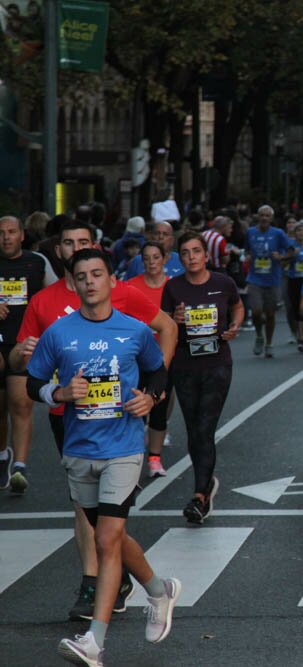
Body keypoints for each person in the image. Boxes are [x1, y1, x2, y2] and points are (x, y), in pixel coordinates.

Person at [10, 219, 178, 622]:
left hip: (121, 433)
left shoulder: (124, 298)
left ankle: (94, 605)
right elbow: (20, 363)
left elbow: (164, 334)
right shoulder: (46, 305)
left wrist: (151, 396)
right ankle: (143, 584)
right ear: (60, 251)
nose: (76, 252)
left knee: (109, 528)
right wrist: (47, 379)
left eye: (84, 244)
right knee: (94, 518)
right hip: (68, 420)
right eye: (69, 245)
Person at [161, 232, 243, 524]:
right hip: (185, 364)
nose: (192, 257)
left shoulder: (223, 283)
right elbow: (163, 322)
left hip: (217, 363)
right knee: (194, 427)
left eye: (197, 251)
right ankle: (206, 483)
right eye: (185, 252)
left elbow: (237, 305)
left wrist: (234, 326)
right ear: (180, 258)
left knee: (204, 428)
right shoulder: (173, 287)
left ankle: (199, 495)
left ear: (206, 255)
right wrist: (175, 320)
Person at [0, 214, 58, 494]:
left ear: (22, 235)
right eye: (1, 233)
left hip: (24, 342)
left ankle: (20, 466)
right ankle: (2, 456)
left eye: (12, 232)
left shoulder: (37, 262)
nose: (6, 237)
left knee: (20, 403)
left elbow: (55, 294)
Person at [127, 242, 172, 478]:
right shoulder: (131, 287)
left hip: (163, 357)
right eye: (146, 258)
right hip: (136, 358)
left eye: (156, 257)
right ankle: (132, 460)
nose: (152, 262)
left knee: (159, 406)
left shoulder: (173, 286)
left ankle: (155, 459)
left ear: (165, 259)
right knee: (135, 409)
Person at [246, 205, 293, 358]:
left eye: (267, 216)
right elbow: (246, 250)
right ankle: (259, 335)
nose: (264, 218)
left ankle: (269, 343)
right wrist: (246, 257)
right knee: (256, 311)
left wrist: (281, 257)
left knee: (271, 314)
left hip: (272, 279)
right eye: (262, 215)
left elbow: (291, 251)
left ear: (271, 218)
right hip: (254, 278)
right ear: (257, 217)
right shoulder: (251, 232)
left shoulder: (278, 233)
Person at [285, 221, 303, 348]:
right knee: (295, 308)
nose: (301, 233)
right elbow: (283, 263)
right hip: (294, 279)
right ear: (294, 233)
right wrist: (291, 256)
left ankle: (302, 338)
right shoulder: (291, 246)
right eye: (298, 230)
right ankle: (297, 334)